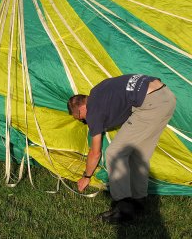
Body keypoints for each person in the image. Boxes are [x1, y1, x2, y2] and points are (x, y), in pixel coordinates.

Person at [67, 74, 176, 223]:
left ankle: (123, 210)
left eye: (80, 118)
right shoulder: (99, 90)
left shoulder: (93, 110)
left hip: (149, 104)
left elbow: (95, 152)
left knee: (114, 153)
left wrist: (86, 177)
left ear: (82, 108)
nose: (84, 121)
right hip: (166, 97)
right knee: (139, 156)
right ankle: (138, 201)